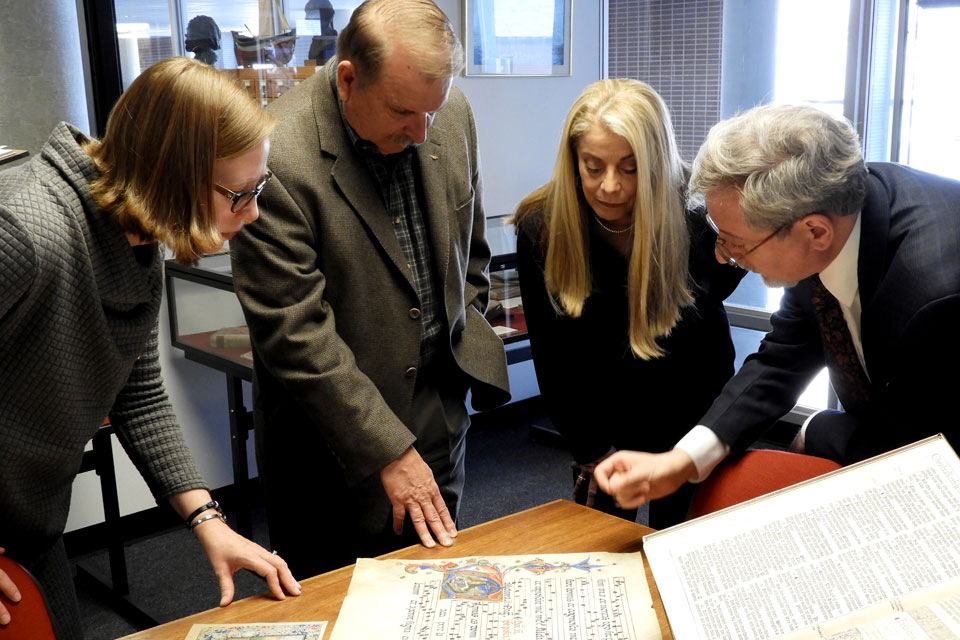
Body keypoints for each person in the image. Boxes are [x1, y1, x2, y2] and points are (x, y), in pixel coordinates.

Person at [0, 57, 299, 639]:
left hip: (30, 528)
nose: (253, 212)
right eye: (239, 194)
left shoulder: (135, 233)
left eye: (257, 188)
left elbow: (137, 396)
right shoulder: (25, 229)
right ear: (172, 174)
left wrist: (209, 521)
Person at [230, 0, 510, 579]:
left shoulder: (447, 112)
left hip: (437, 402)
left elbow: (471, 250)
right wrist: (386, 446)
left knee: (432, 586)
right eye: (403, 111)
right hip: (330, 444)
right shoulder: (277, 156)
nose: (421, 131)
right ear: (349, 78)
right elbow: (295, 334)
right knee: (338, 595)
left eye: (431, 111)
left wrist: (459, 350)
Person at [595, 103, 960, 513]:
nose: (723, 256)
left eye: (736, 241)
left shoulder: (934, 298)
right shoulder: (825, 212)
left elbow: (920, 452)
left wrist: (820, 429)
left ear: (814, 232)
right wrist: (682, 461)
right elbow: (784, 355)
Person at [513, 79, 743, 529]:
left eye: (631, 168)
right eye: (593, 167)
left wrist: (694, 449)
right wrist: (588, 447)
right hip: (600, 421)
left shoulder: (699, 215)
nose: (610, 187)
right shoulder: (542, 225)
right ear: (573, 159)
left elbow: (715, 309)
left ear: (656, 162)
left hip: (690, 412)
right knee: (601, 554)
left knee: (682, 547)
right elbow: (553, 354)